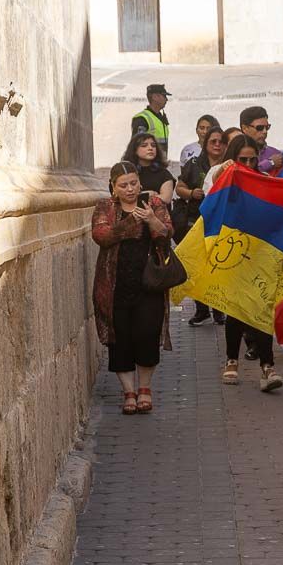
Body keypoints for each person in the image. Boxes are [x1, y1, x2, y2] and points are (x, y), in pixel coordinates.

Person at [91, 162, 174, 415]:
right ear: (114, 189)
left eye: (134, 183)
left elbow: (167, 233)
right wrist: (129, 226)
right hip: (114, 284)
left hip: (149, 283)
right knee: (121, 337)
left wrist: (150, 220)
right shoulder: (105, 207)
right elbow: (101, 235)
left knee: (148, 333)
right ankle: (128, 391)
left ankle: (145, 389)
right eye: (124, 185)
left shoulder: (153, 204)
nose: (130, 189)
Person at [212, 134, 283, 391]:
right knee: (236, 308)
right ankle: (232, 360)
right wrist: (226, 171)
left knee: (262, 308)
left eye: (253, 159)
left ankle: (268, 366)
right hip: (230, 251)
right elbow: (212, 195)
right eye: (243, 159)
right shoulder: (221, 175)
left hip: (259, 251)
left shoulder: (264, 180)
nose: (249, 164)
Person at [178, 126, 227, 326]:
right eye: (212, 141)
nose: (216, 145)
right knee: (198, 267)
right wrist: (191, 194)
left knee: (218, 266)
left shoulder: (229, 165)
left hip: (221, 223)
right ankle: (201, 309)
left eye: (220, 141)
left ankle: (219, 309)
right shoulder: (194, 164)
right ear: (205, 144)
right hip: (197, 221)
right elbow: (179, 187)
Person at [121, 132, 175, 206]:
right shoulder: (126, 172)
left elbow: (166, 199)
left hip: (157, 215)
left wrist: (137, 196)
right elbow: (120, 197)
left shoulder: (164, 173)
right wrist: (148, 194)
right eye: (144, 145)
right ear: (135, 150)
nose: (150, 148)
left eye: (153, 145)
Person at [239, 106, 283, 176]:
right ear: (244, 128)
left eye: (267, 127)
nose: (264, 131)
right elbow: (241, 175)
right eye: (259, 128)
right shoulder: (234, 152)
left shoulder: (276, 155)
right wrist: (270, 163)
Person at [131, 84, 172, 154]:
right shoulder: (142, 119)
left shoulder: (160, 117)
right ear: (155, 97)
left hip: (159, 163)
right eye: (164, 96)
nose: (166, 99)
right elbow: (137, 146)